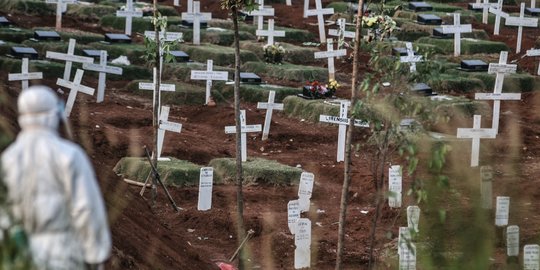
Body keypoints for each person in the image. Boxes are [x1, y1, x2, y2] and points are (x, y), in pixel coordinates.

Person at [1, 86, 111, 269]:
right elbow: (86, 208)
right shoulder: (69, 155)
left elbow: (4, 214)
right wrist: (95, 254)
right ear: (53, 115)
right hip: (62, 253)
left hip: (21, 254)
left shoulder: (8, 159)